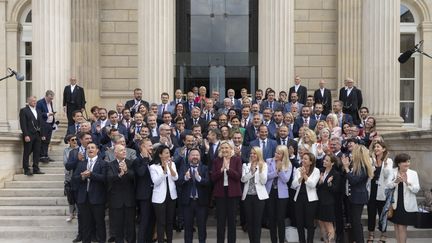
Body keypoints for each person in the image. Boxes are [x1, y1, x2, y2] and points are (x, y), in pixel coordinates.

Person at [73, 143, 107, 243]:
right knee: (85, 224)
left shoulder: (103, 163)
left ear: (97, 150)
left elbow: (104, 179)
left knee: (100, 223)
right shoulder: (81, 163)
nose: (90, 149)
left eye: (92, 148)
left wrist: (91, 175)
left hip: (97, 198)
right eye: (88, 148)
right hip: (83, 199)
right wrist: (82, 177)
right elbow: (74, 179)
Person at [341, 145, 374, 243]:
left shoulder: (363, 167)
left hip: (358, 197)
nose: (351, 154)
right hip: (352, 196)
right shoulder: (355, 165)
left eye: (353, 153)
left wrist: (346, 168)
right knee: (353, 222)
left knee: (356, 222)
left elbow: (354, 180)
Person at [211, 141, 242, 243]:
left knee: (232, 221)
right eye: (222, 148)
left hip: (233, 194)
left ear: (231, 149)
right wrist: (221, 170)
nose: (224, 150)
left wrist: (228, 169)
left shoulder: (237, 160)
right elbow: (213, 178)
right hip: (220, 194)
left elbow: (238, 177)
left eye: (226, 148)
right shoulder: (216, 161)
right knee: (220, 221)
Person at [178, 148, 210, 243]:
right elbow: (178, 182)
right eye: (193, 155)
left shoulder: (204, 168)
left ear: (200, 157)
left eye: (197, 155)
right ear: (188, 157)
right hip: (187, 203)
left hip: (201, 203)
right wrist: (185, 178)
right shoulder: (184, 167)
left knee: (202, 227)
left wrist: (199, 179)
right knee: (188, 227)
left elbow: (208, 183)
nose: (195, 157)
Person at [387, 153, 420, 243]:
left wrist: (407, 182)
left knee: (402, 227)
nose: (407, 163)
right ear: (399, 163)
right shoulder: (392, 172)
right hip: (395, 204)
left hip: (407, 205)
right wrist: (396, 181)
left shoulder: (413, 173)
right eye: (404, 162)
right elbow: (388, 186)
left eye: (408, 161)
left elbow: (416, 189)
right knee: (396, 226)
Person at [107, 144, 136, 243]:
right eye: (121, 150)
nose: (124, 152)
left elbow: (135, 178)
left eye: (124, 150)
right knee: (118, 226)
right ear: (115, 154)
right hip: (116, 200)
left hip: (129, 200)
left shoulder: (131, 163)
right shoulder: (110, 164)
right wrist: (119, 175)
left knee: (130, 225)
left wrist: (127, 171)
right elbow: (109, 178)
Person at [149, 145, 178, 243]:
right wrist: (164, 170)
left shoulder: (172, 164)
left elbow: (175, 178)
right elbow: (156, 182)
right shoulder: (153, 167)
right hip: (159, 198)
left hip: (171, 196)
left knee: (170, 222)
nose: (168, 155)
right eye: (166, 153)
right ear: (160, 155)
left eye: (169, 153)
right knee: (161, 222)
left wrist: (170, 168)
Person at [367, 141, 393, 243]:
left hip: (382, 191)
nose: (376, 149)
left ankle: (383, 235)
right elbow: (370, 173)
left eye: (378, 147)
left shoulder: (389, 161)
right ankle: (371, 234)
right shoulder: (370, 160)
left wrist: (385, 163)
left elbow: (387, 175)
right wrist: (373, 161)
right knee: (371, 213)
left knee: (383, 214)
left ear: (384, 149)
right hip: (372, 190)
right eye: (375, 147)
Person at [266, 145, 293, 243]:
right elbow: (266, 177)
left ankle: (281, 240)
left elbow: (286, 179)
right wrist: (276, 171)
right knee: (272, 218)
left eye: (279, 153)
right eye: (276, 152)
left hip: (282, 195)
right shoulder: (269, 161)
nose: (276, 154)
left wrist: (280, 170)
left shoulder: (288, 164)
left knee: (281, 219)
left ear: (283, 155)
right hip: (270, 192)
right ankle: (273, 240)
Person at [241, 147, 268, 243]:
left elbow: (264, 181)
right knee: (250, 222)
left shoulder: (264, 165)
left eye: (255, 153)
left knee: (257, 222)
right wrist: (251, 171)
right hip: (247, 196)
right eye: (251, 153)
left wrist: (259, 170)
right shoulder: (245, 165)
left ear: (259, 155)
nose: (252, 155)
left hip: (259, 197)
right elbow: (243, 179)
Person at [291, 152, 320, 243]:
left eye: (305, 159)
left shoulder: (316, 171)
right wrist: (300, 177)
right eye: (302, 158)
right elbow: (293, 185)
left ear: (311, 162)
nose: (303, 160)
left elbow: (312, 184)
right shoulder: (298, 169)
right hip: (299, 198)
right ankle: (301, 240)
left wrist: (304, 176)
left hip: (311, 200)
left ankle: (310, 241)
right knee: (299, 222)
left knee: (310, 222)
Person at [134, 139, 156, 243]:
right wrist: (146, 159)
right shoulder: (137, 160)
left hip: (155, 194)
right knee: (144, 220)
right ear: (142, 147)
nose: (152, 147)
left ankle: (149, 240)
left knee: (152, 220)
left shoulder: (153, 159)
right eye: (149, 146)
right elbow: (141, 173)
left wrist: (150, 160)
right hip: (144, 196)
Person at [19, 96, 46, 176]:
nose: (34, 102)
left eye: (35, 101)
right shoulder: (24, 110)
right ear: (28, 101)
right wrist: (26, 135)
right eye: (33, 101)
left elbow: (41, 123)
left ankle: (36, 168)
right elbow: (23, 124)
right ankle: (26, 169)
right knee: (27, 152)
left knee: (37, 152)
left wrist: (42, 134)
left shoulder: (38, 110)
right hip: (29, 135)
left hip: (38, 135)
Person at [317, 154, 340, 243]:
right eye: (324, 160)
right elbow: (317, 187)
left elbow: (335, 189)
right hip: (319, 201)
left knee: (328, 224)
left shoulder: (335, 174)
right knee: (321, 223)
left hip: (329, 202)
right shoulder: (321, 171)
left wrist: (328, 183)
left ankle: (331, 241)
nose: (324, 162)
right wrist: (320, 182)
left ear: (332, 163)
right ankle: (326, 241)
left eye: (327, 160)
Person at [36, 90, 56, 163]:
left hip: (50, 124)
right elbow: (38, 114)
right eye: (50, 98)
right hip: (43, 124)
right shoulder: (40, 103)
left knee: (47, 141)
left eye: (52, 98)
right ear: (46, 96)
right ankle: (42, 156)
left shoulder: (50, 102)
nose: (51, 100)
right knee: (43, 140)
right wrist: (48, 114)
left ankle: (46, 155)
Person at [63, 134, 78, 222]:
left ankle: (77, 212)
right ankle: (71, 213)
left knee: (77, 195)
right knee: (70, 195)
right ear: (69, 142)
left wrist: (71, 161)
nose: (75, 141)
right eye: (72, 140)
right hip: (69, 175)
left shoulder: (80, 149)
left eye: (76, 139)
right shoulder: (66, 150)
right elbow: (66, 163)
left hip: (77, 174)